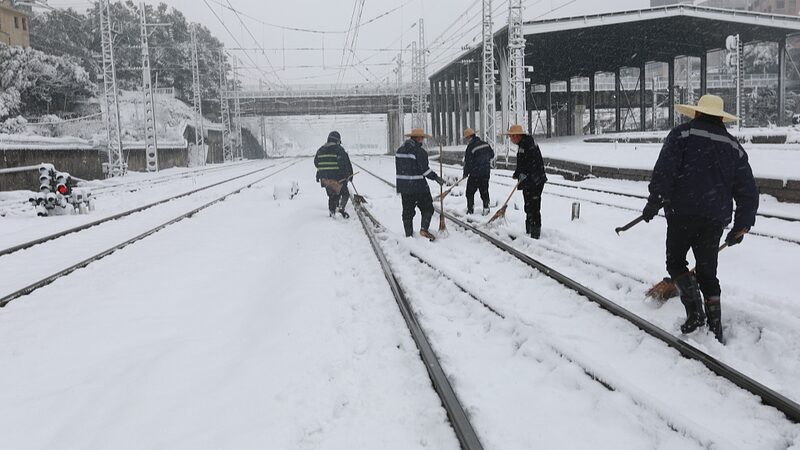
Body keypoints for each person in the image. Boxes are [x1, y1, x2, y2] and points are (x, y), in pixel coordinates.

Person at [642, 95, 758, 343]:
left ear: (697, 113)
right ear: (720, 118)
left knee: (675, 262)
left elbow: (665, 170)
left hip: (682, 212)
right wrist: (742, 224)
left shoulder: (682, 135)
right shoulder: (733, 146)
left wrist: (654, 201)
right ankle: (715, 326)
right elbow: (748, 190)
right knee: (707, 272)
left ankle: (695, 314)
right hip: (714, 218)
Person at [395, 128, 447, 240]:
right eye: (422, 138)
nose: (423, 140)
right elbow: (424, 170)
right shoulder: (420, 152)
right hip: (418, 187)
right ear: (418, 138)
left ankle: (408, 234)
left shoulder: (399, 151)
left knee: (407, 211)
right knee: (427, 208)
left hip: (404, 187)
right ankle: (424, 229)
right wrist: (436, 177)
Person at [508, 124, 547, 239]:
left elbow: (531, 163)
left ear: (517, 136)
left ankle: (535, 233)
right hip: (529, 180)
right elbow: (522, 163)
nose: (511, 139)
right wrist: (517, 173)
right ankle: (529, 230)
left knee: (534, 206)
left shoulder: (527, 145)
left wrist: (525, 174)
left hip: (535, 180)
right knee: (528, 205)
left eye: (512, 136)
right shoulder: (523, 144)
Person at [314, 131, 354, 218]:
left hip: (325, 179)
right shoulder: (339, 150)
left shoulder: (320, 150)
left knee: (332, 195)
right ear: (337, 140)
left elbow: (316, 163)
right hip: (338, 178)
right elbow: (346, 164)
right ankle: (341, 208)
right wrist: (349, 176)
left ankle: (332, 212)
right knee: (345, 193)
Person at [462, 128, 495, 215]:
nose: (466, 140)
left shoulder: (470, 147)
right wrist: (484, 162)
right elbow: (492, 155)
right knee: (484, 191)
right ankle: (486, 208)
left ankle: (470, 210)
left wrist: (465, 173)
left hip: (475, 174)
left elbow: (468, 162)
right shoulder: (485, 144)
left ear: (469, 137)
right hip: (486, 173)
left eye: (466, 138)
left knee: (469, 192)